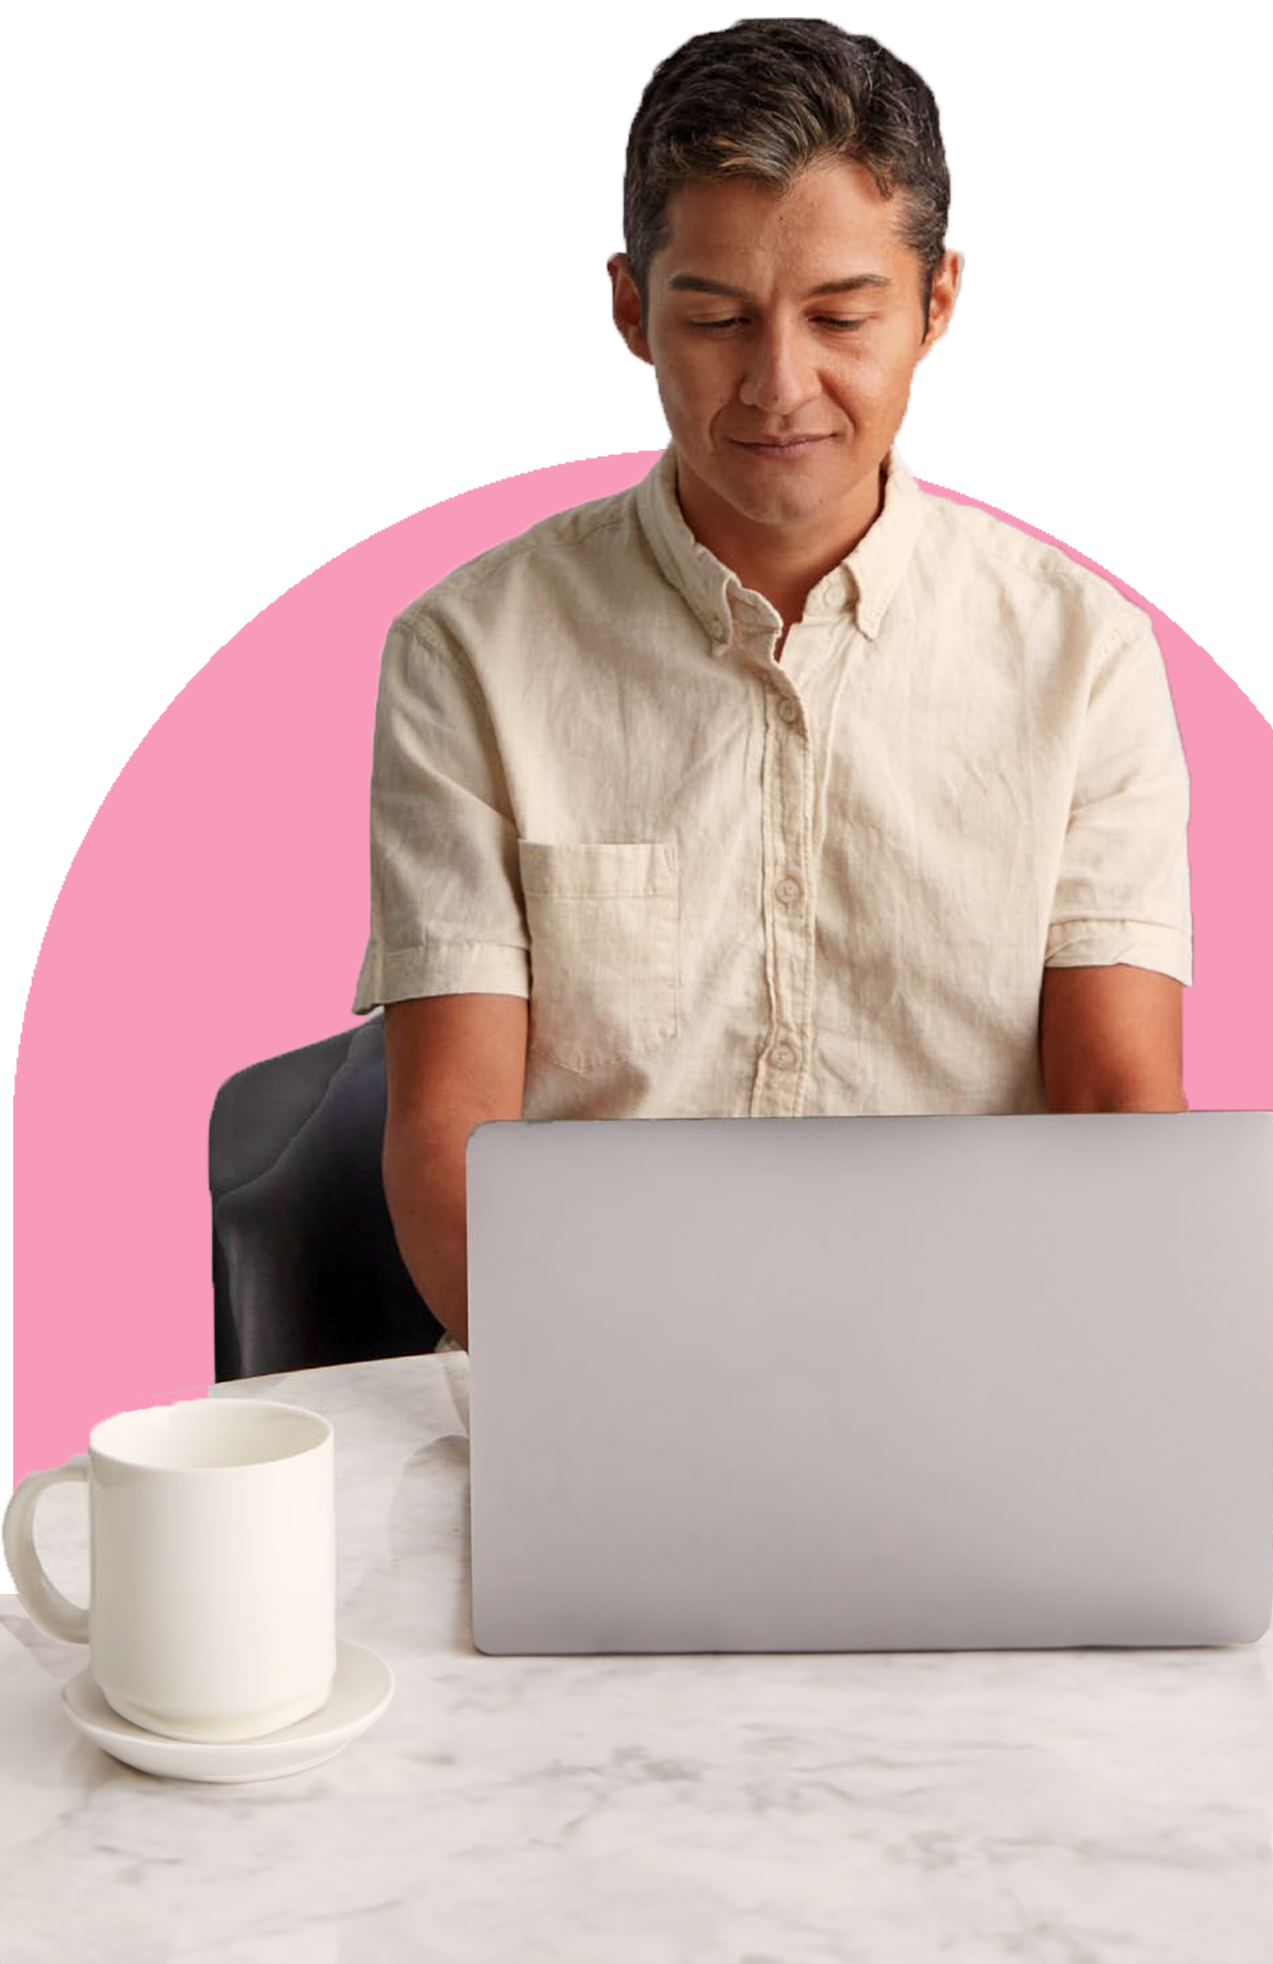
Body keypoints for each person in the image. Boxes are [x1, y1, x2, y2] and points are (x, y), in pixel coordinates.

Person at [352, 18, 1192, 1352]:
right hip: (593, 1370)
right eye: (715, 317)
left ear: (938, 302)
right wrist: (613, 1405)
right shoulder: (471, 651)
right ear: (631, 308)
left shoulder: (1082, 656)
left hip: (980, 1366)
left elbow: (1119, 1115)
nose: (777, 385)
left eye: (841, 316)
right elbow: (454, 1141)